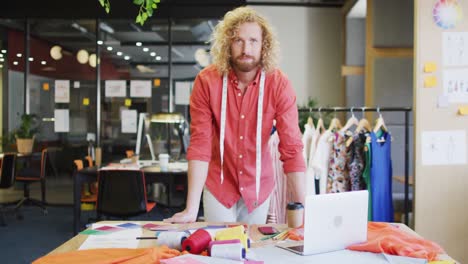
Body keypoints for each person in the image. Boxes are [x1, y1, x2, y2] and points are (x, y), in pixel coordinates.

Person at [164, 6, 306, 224]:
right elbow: (200, 144)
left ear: (264, 45)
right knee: (220, 250)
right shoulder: (206, 82)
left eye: (253, 41)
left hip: (259, 187)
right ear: (227, 44)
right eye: (238, 40)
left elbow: (292, 148)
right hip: (219, 186)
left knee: (253, 250)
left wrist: (305, 207)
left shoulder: (279, 84)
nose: (246, 48)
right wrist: (191, 209)